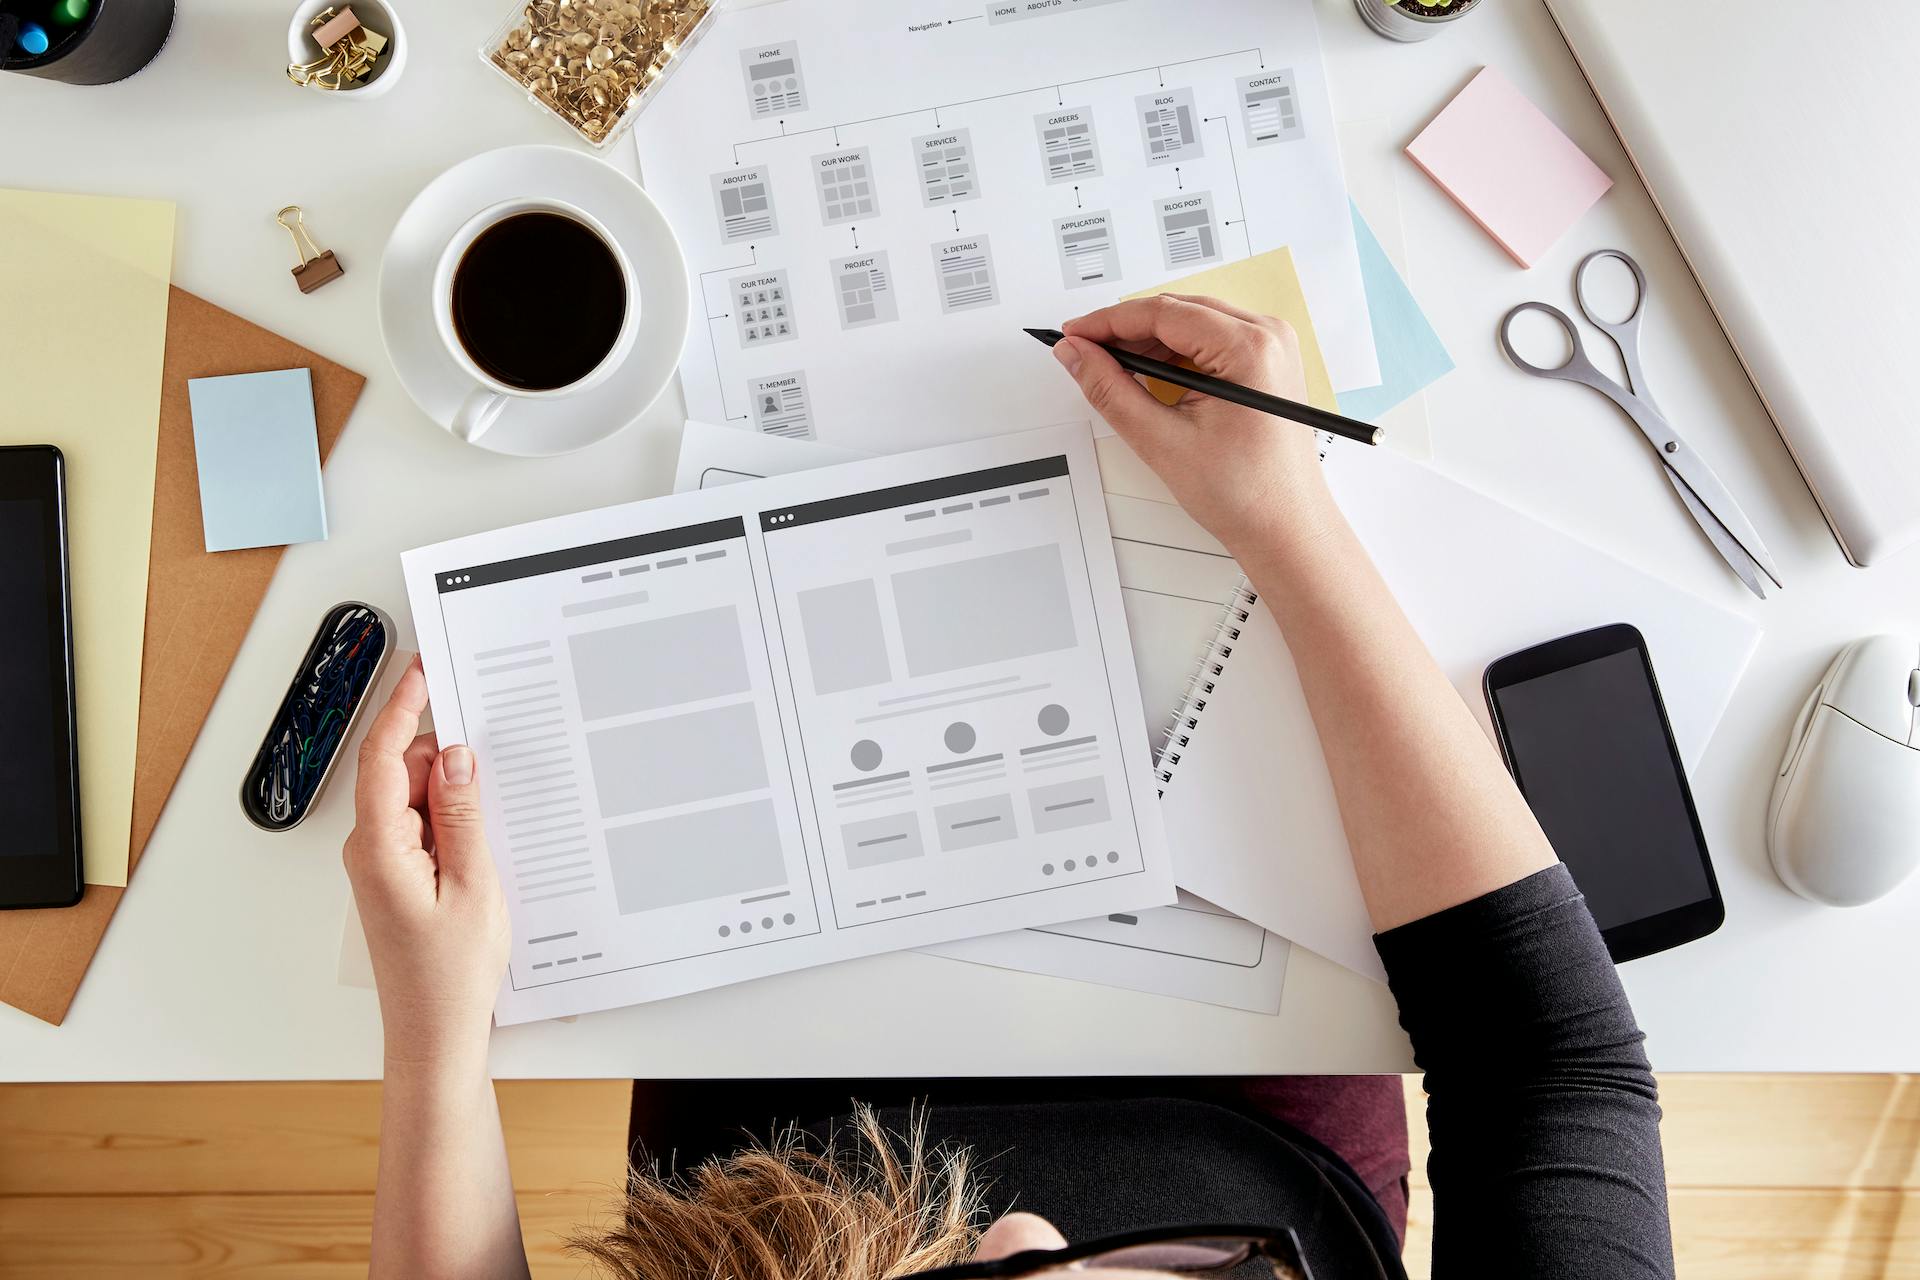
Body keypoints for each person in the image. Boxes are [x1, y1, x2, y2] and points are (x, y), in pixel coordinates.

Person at [345, 295, 1677, 1280]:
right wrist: (1286, 517)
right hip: (1244, 1111)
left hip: (767, 1135)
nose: (1025, 1224)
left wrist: (434, 1040)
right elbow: (1548, 1066)